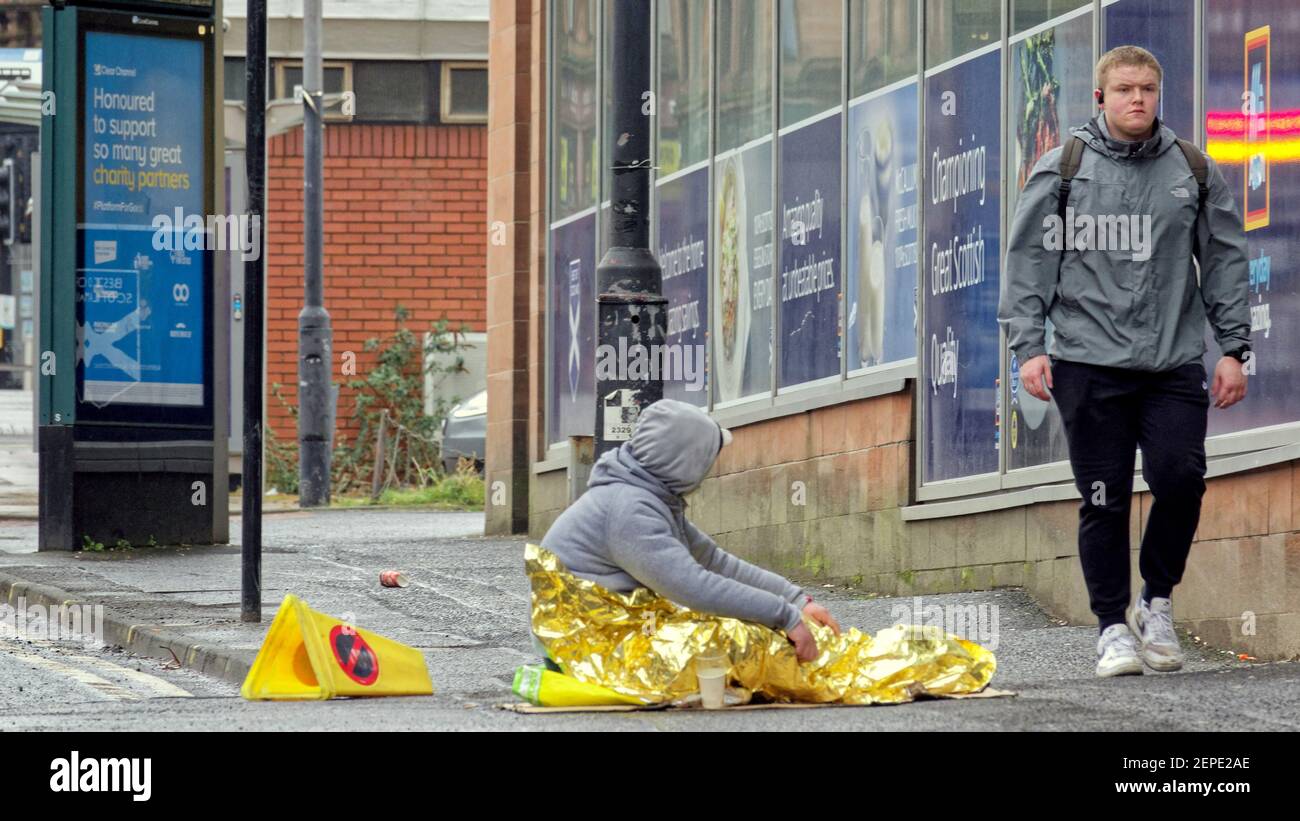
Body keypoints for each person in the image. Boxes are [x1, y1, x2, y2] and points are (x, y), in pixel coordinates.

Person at [998, 46, 1252, 677]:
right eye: (1125, 90)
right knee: (1104, 498)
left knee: (1180, 479)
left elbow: (1223, 260)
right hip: (1089, 364)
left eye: (1147, 89)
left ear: (1158, 95)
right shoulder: (1063, 170)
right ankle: (1112, 626)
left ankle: (1156, 602)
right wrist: (1028, 347)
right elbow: (1030, 262)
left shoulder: (1191, 169)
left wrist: (1234, 349)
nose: (1137, 99)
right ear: (1102, 98)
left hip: (1171, 364)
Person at [536, 398, 841, 666]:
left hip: (613, 631)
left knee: (747, 642)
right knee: (743, 654)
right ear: (684, 463)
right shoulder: (629, 509)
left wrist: (798, 601)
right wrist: (785, 616)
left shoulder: (647, 496)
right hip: (585, 649)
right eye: (707, 460)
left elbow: (715, 562)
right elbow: (695, 587)